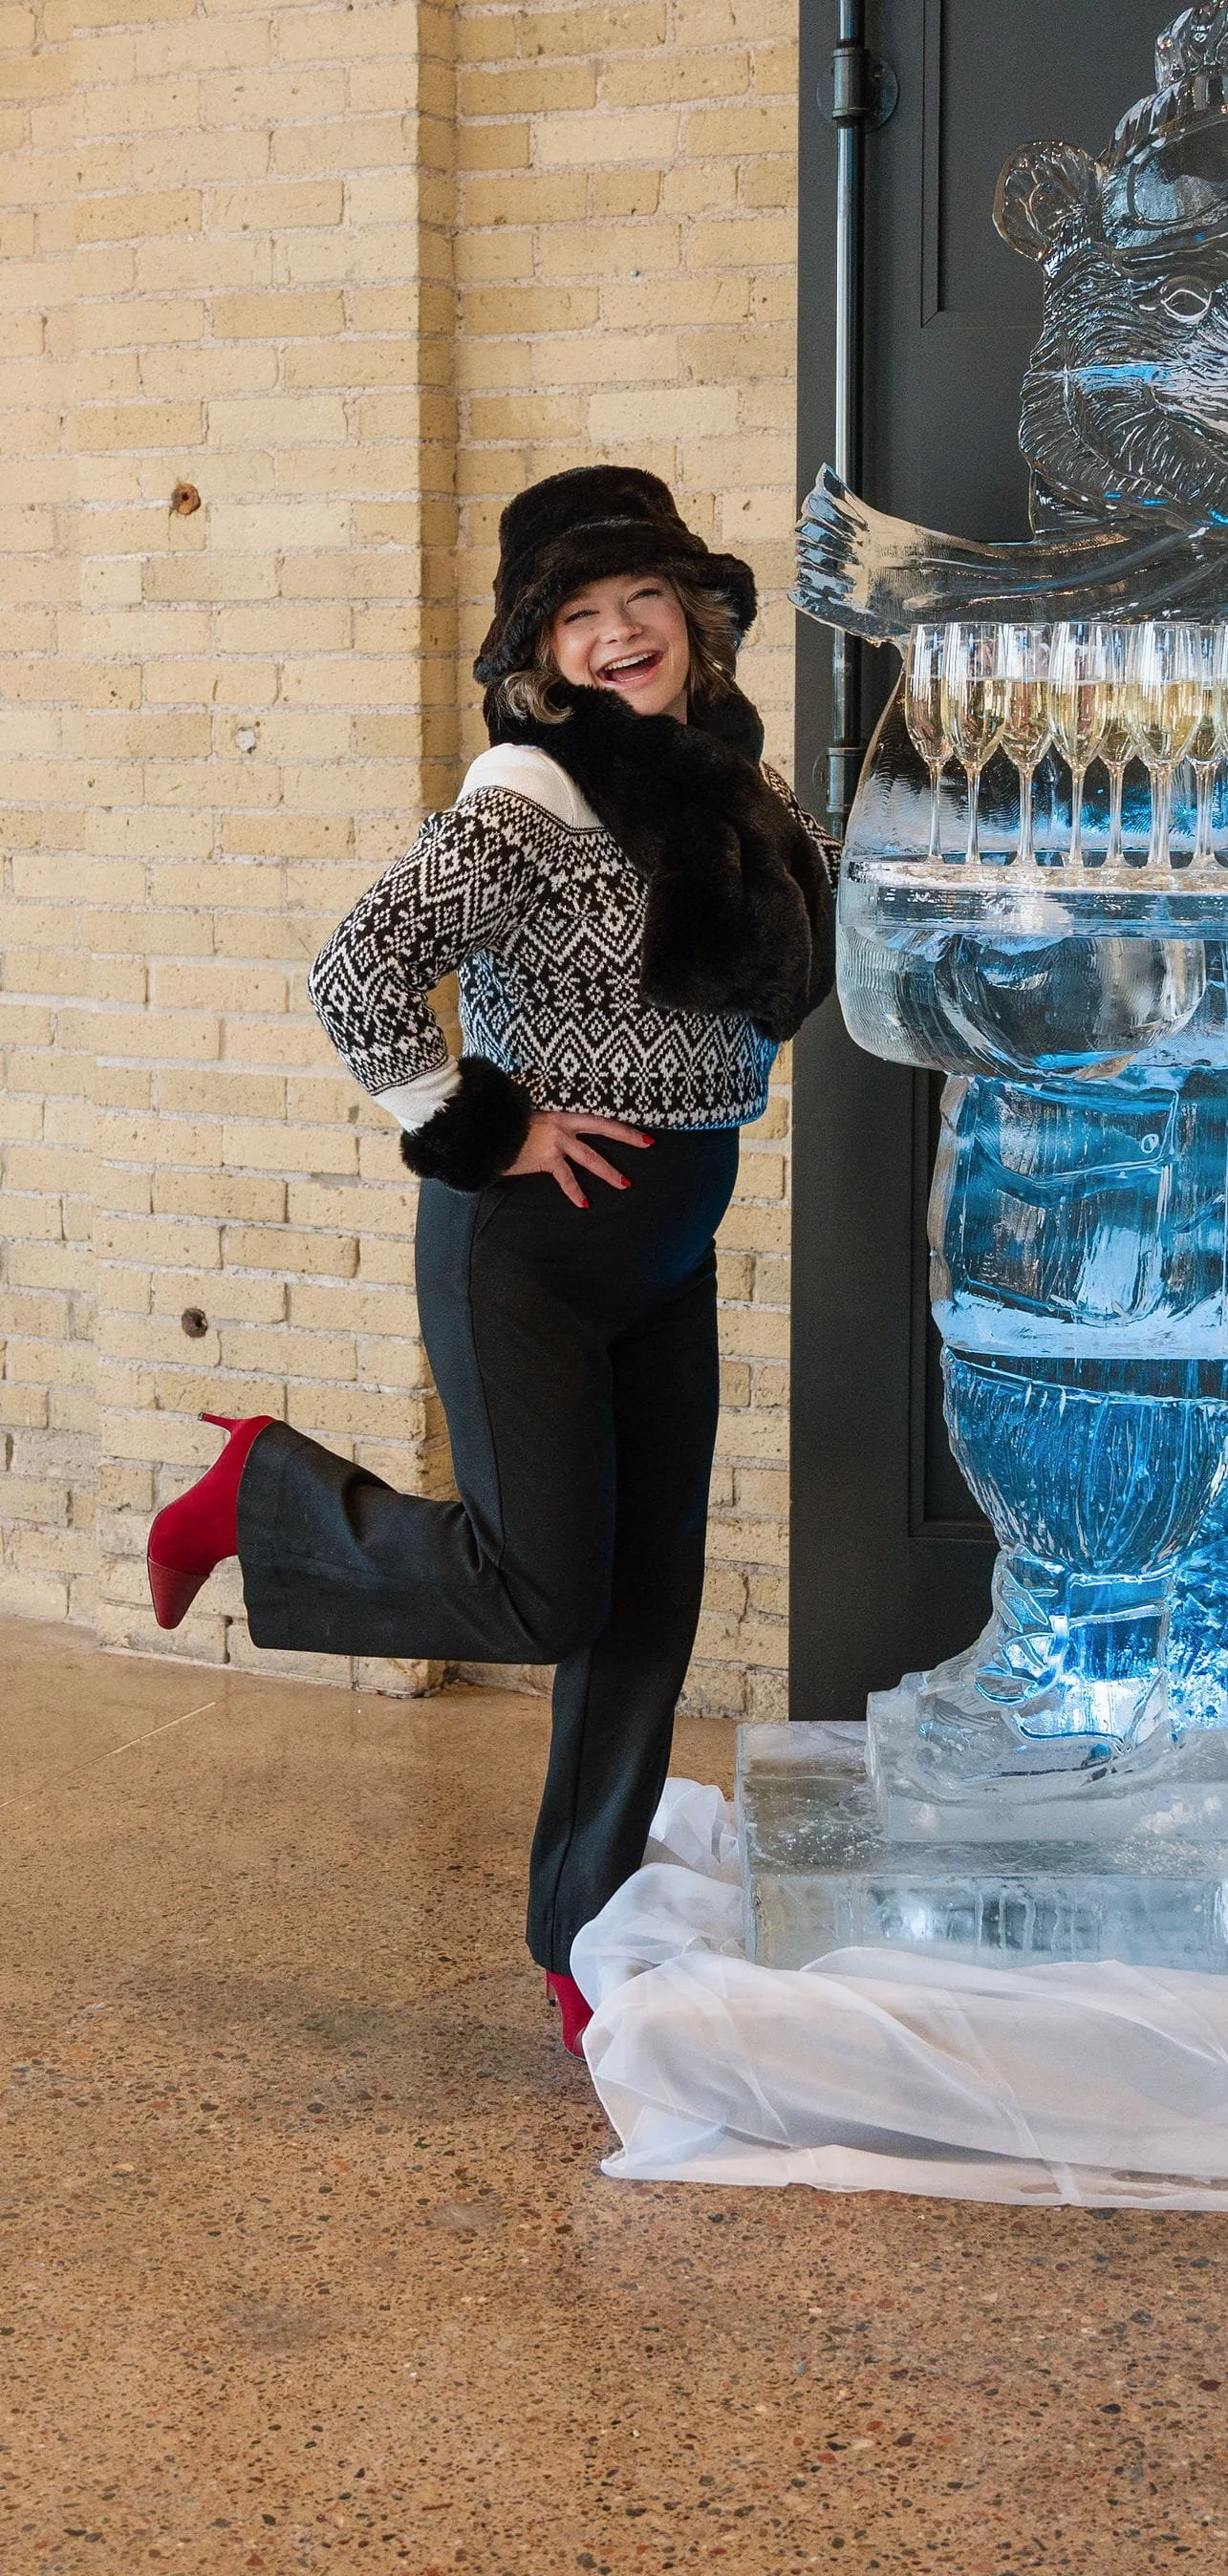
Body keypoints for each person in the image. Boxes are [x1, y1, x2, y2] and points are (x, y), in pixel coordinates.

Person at [145, 467, 835, 2053]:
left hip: (668, 1241)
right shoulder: (530, 791)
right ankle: (257, 1494)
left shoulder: (733, 786)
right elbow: (358, 970)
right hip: (524, 1247)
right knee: (541, 1594)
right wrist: (481, 1123)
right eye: (579, 616)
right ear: (541, 653)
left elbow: (825, 914)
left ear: (694, 618)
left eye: (641, 601)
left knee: (644, 1607)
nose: (618, 635)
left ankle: (580, 1938)